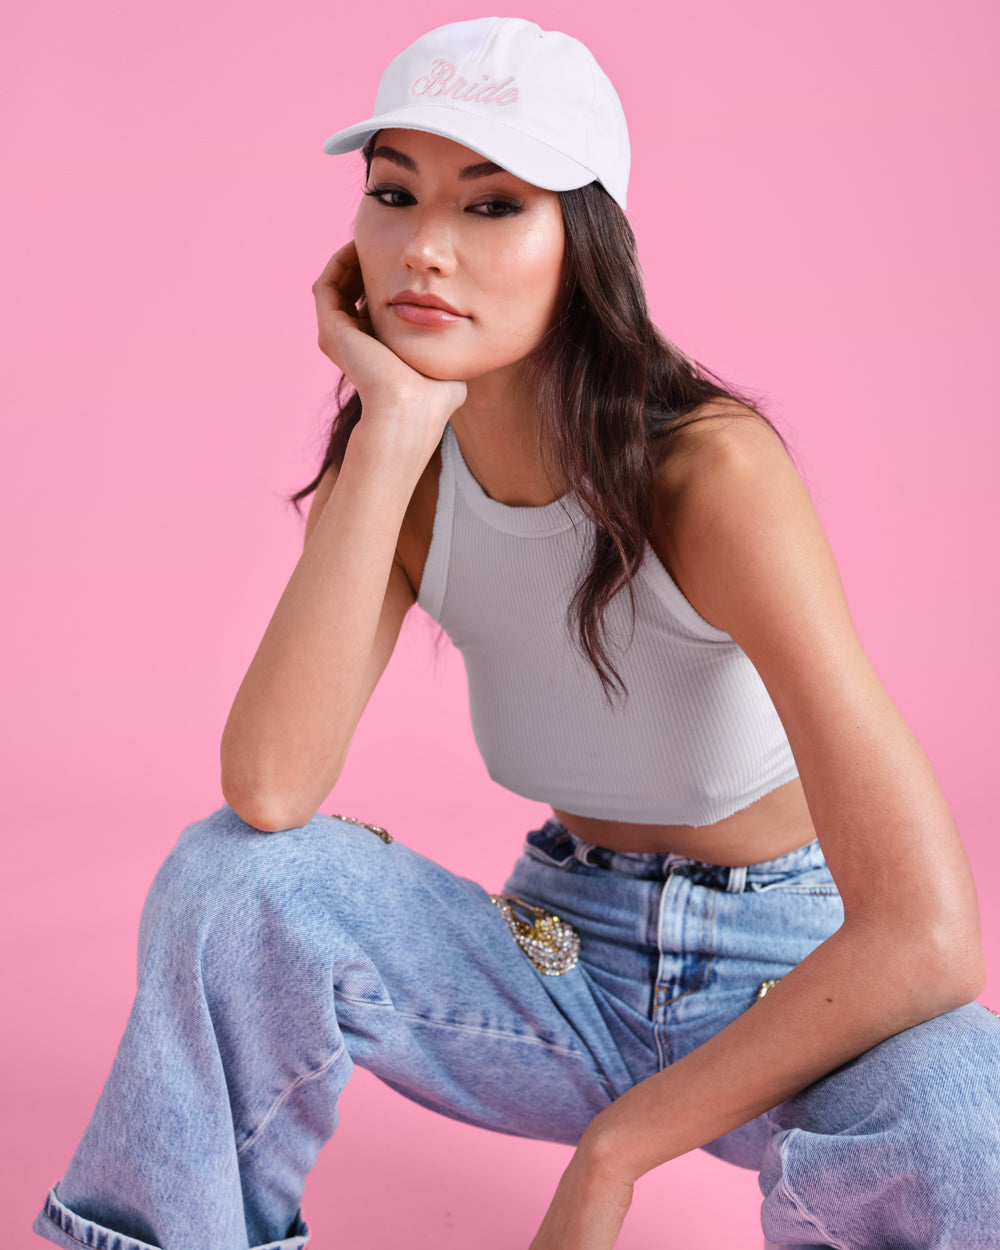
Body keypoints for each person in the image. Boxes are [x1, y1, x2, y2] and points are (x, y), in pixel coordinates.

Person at [34, 17, 1000, 1250]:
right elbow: (268, 792)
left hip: (786, 977)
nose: (424, 247)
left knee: (965, 1099)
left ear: (582, 245)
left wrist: (613, 1154)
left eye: (492, 206)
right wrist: (391, 420)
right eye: (394, 193)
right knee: (229, 879)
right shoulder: (401, 469)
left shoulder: (709, 475)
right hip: (560, 957)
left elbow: (925, 934)